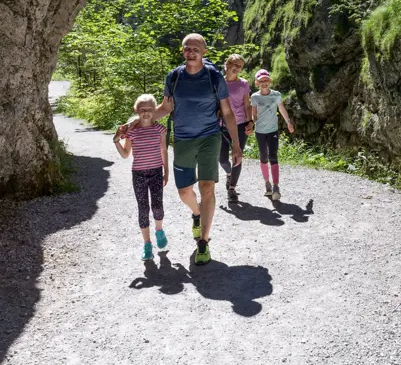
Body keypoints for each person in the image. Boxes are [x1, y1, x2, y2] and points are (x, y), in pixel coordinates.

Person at [121, 34, 242, 266]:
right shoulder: (174, 76)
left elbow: (227, 112)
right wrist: (134, 122)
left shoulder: (214, 76)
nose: (191, 52)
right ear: (183, 51)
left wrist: (236, 145)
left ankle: (204, 243)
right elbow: (165, 108)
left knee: (207, 187)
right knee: (184, 192)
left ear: (204, 51)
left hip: (209, 137)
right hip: (183, 139)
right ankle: (196, 214)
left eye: (196, 48)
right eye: (187, 48)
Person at [112, 94, 168, 261]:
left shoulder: (160, 130)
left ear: (154, 110)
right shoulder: (132, 132)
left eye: (150, 109)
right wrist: (116, 141)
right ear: (136, 110)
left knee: (157, 206)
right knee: (143, 208)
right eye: (142, 110)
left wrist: (167, 173)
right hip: (139, 174)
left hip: (157, 171)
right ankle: (147, 244)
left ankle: (159, 230)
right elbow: (125, 154)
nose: (146, 113)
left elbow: (164, 151)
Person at [249, 69, 294, 202]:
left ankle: (276, 187)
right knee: (263, 157)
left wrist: (288, 123)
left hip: (273, 131)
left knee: (273, 157)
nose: (264, 83)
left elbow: (282, 109)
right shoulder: (255, 97)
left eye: (266, 80)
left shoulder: (276, 95)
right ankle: (267, 184)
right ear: (257, 83)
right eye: (261, 81)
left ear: (270, 81)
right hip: (260, 132)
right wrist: (251, 125)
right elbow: (254, 115)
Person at [218, 54, 254, 204]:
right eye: (235, 64)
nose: (237, 68)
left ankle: (232, 189)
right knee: (222, 159)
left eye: (240, 66)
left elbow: (247, 104)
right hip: (222, 124)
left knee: (237, 156)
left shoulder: (244, 84)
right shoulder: (219, 82)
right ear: (227, 64)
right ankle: (228, 174)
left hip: (240, 123)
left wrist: (251, 121)